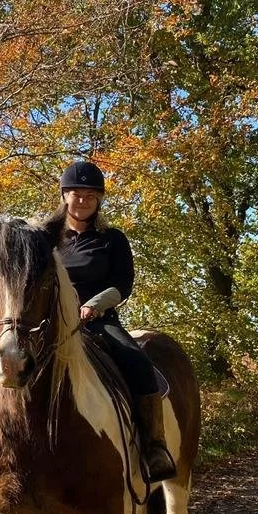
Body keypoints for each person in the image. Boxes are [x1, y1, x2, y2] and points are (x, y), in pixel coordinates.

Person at [56, 160, 176, 482]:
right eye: (76, 194)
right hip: (52, 322)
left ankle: (154, 446)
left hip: (97, 321)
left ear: (98, 201)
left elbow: (123, 284)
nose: (83, 200)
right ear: (65, 196)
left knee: (135, 359)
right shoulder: (48, 240)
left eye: (90, 196)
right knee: (2, 366)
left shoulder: (113, 239)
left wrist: (93, 305)